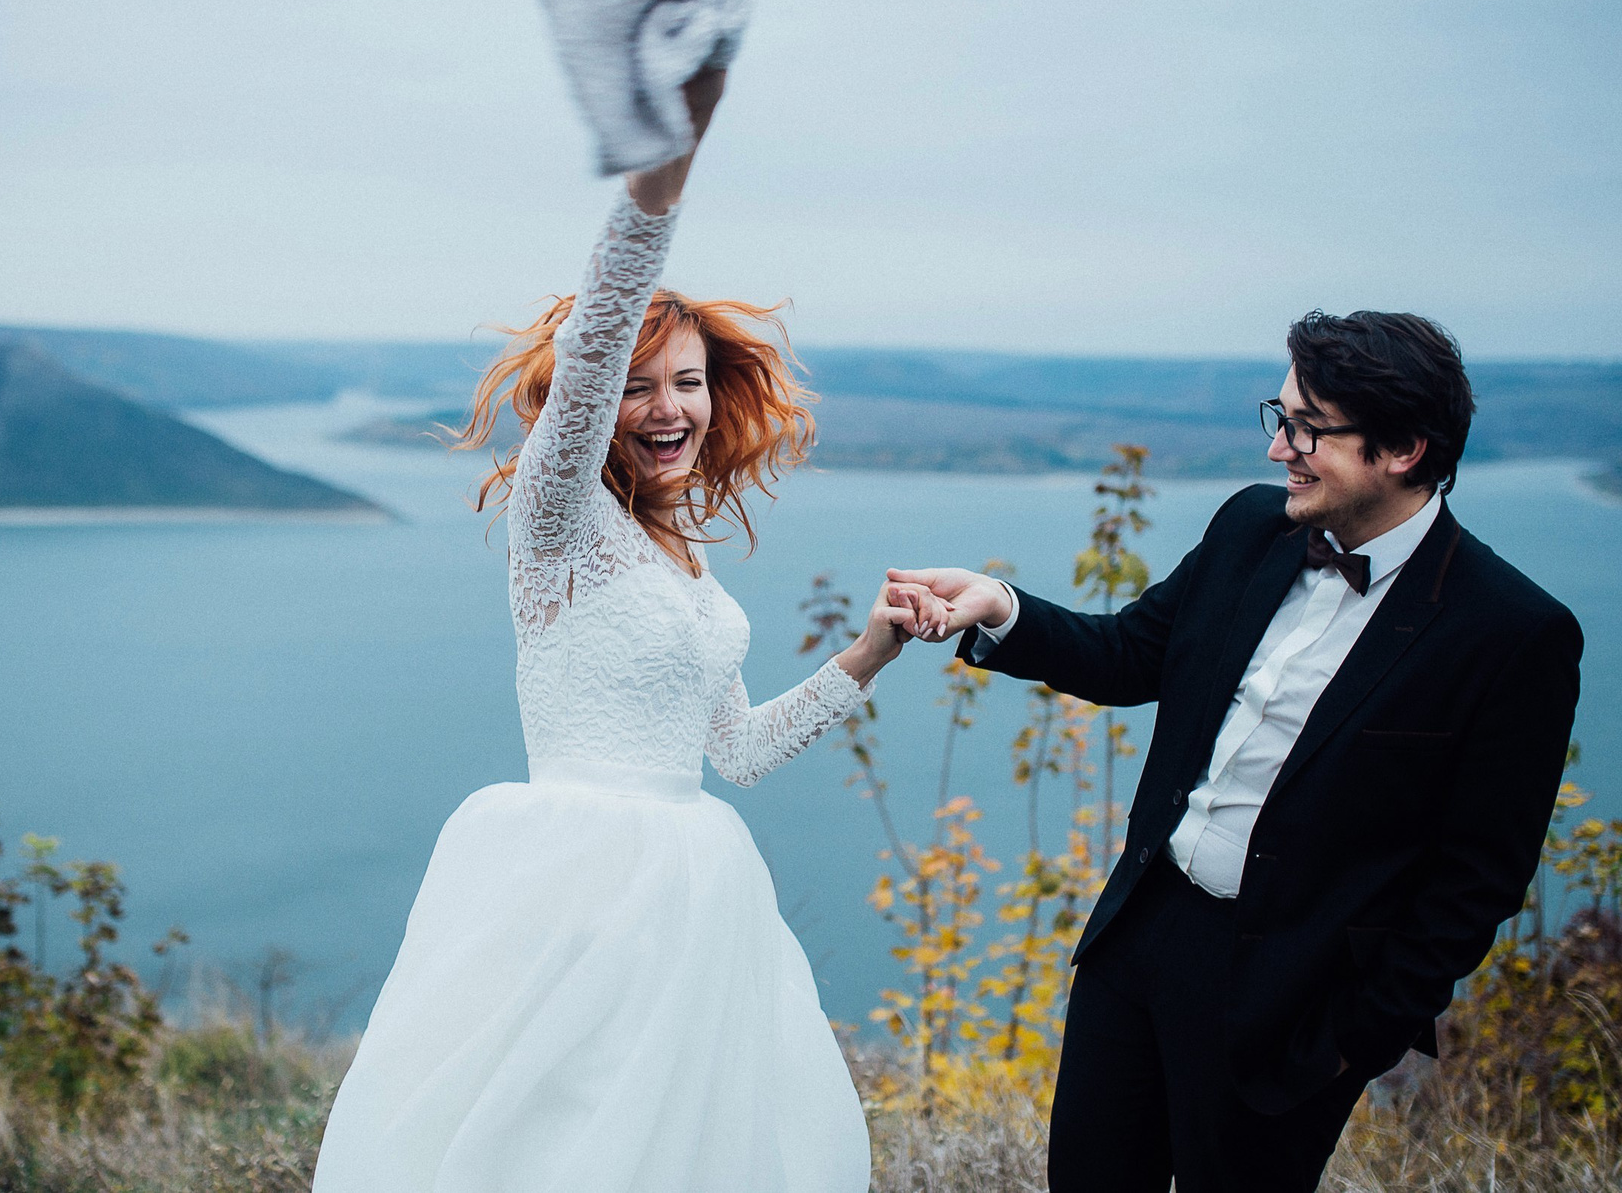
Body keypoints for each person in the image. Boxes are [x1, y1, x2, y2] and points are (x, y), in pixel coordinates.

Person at [309, 68, 915, 1192]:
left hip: (697, 901)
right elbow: (589, 347)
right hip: (574, 891)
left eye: (688, 382)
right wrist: (659, 178)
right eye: (639, 387)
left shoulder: (686, 560)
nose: (669, 407)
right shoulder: (558, 519)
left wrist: (872, 650)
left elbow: (737, 750)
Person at [891, 312, 1584, 1192]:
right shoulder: (1252, 526)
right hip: (1138, 943)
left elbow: (1478, 880)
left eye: (1309, 429)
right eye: (1280, 417)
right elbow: (1130, 653)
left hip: (1293, 1007)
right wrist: (1000, 606)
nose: (1278, 449)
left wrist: (1354, 1039)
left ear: (1405, 449)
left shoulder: (1512, 632)